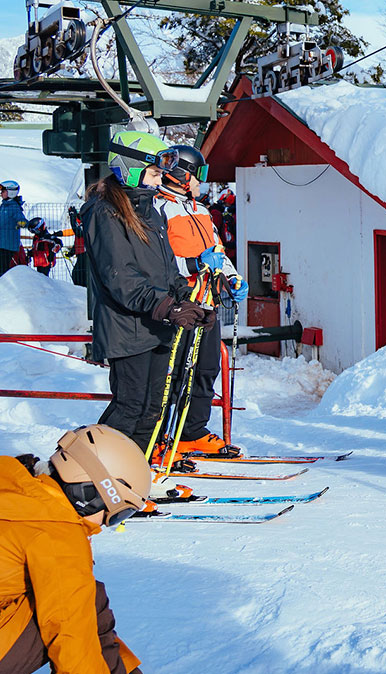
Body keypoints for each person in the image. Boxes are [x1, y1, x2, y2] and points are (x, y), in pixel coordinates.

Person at [83, 130, 212, 452]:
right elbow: (120, 277)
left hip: (155, 324)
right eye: (154, 174)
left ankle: (136, 470)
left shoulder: (148, 208)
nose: (159, 181)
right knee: (130, 406)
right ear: (130, 169)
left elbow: (167, 269)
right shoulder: (105, 212)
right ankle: (97, 468)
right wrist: (167, 307)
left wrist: (188, 302)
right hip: (127, 327)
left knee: (152, 408)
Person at [0, 424, 148, 674]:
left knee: (85, 596)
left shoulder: (13, 484)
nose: (105, 525)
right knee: (76, 608)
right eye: (117, 515)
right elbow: (71, 637)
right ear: (93, 493)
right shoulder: (57, 531)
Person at [153, 144, 247, 457]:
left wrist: (232, 278)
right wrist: (194, 264)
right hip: (179, 303)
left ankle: (192, 431)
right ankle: (158, 437)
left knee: (206, 369)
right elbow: (160, 262)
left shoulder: (202, 211)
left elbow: (217, 251)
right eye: (198, 174)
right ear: (181, 175)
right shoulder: (159, 209)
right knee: (174, 372)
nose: (201, 181)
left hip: (208, 301)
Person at [0, 179, 26, 276]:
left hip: (8, 246)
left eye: (3, 191)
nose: (1, 193)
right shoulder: (3, 206)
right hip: (2, 244)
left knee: (3, 271)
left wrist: (22, 223)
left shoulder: (14, 207)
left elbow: (22, 221)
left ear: (11, 192)